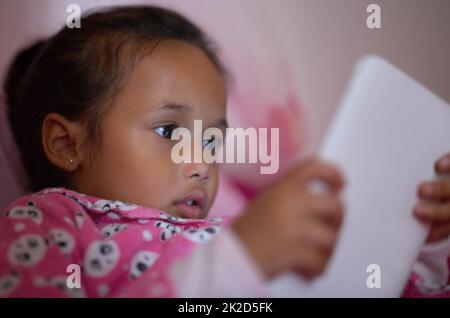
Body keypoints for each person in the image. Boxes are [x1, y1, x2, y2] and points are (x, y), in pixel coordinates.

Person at [0, 5, 448, 298]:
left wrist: (417, 243)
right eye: (169, 130)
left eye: (211, 140)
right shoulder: (52, 221)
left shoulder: (237, 224)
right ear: (67, 144)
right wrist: (242, 258)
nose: (200, 163)